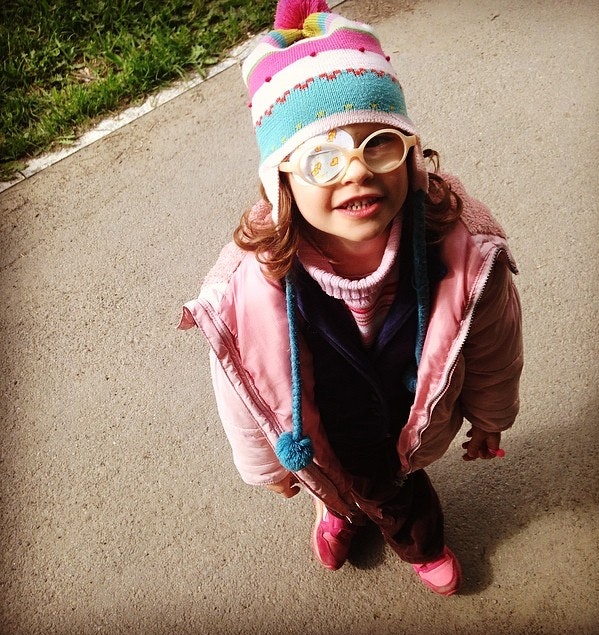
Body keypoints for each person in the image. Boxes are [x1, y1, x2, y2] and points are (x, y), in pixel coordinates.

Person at [180, 0, 523, 596]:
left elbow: (493, 346)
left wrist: (491, 418)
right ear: (282, 181)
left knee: (397, 493)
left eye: (379, 144)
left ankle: (419, 542)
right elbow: (242, 381)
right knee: (335, 478)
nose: (356, 172)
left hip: (405, 416)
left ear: (411, 156)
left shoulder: (463, 251)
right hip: (321, 421)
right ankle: (338, 510)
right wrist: (267, 467)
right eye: (323, 158)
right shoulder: (248, 285)